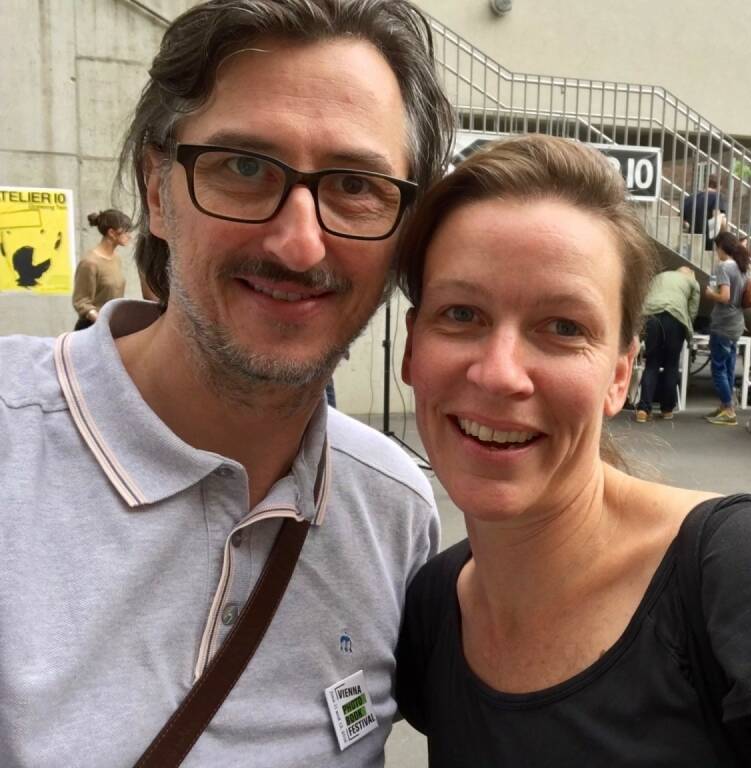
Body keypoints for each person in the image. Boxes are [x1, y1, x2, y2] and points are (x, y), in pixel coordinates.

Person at [393, 135, 751, 767]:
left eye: (563, 327)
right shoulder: (435, 609)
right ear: (412, 348)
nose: (500, 374)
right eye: (461, 314)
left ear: (620, 374)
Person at [0, 1, 453, 765]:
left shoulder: (395, 513)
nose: (299, 244)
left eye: (355, 184)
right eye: (244, 167)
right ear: (157, 191)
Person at [635, 265, 699, 422]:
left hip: (652, 316)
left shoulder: (659, 277)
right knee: (671, 364)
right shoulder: (692, 282)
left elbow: (645, 296)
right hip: (676, 318)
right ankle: (667, 409)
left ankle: (643, 410)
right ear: (690, 274)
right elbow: (693, 310)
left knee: (652, 363)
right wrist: (688, 327)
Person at [703, 230, 749, 426]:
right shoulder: (741, 267)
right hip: (737, 322)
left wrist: (709, 294)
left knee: (718, 368)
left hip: (723, 323)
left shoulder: (724, 267)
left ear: (722, 248)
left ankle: (728, 409)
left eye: (717, 248)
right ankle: (725, 406)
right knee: (729, 367)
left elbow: (724, 297)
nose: (716, 252)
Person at [72, 208, 132, 329]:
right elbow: (81, 302)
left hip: (111, 326)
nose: (129, 236)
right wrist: (102, 322)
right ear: (111, 233)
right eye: (125, 231)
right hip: (91, 328)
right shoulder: (89, 263)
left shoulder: (116, 259)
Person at [682, 174, 727, 251]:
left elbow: (682, 222)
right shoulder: (717, 196)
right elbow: (717, 218)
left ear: (705, 184)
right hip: (709, 242)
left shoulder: (689, 198)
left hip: (692, 241)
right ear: (719, 186)